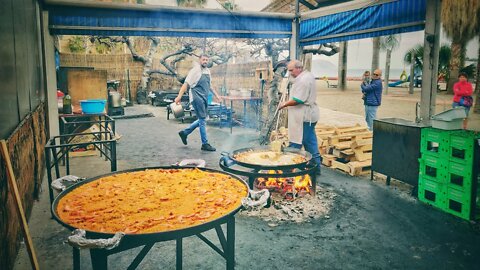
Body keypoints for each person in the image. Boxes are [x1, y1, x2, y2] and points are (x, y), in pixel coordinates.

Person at [278, 60, 321, 175]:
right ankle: (315, 167)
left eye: (291, 70)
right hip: (307, 116)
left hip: (304, 116)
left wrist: (284, 104)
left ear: (299, 68)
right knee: (310, 141)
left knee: (296, 142)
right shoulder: (305, 75)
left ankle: (287, 170)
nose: (290, 73)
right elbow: (293, 80)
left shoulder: (304, 80)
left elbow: (298, 100)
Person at [175, 54, 222, 151]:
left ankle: (184, 133)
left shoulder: (207, 71)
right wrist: (179, 96)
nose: (205, 61)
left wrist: (217, 95)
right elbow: (186, 84)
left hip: (204, 97)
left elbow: (209, 86)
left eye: (206, 60)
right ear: (199, 60)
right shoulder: (195, 71)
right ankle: (205, 144)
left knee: (203, 119)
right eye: (203, 59)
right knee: (202, 120)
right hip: (196, 97)